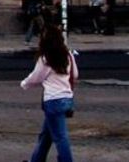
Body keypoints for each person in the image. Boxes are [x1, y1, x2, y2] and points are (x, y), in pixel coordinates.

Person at [21, 25, 78, 162]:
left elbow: (36, 77)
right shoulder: (68, 55)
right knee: (46, 136)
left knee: (60, 138)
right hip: (67, 99)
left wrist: (24, 84)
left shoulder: (46, 58)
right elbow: (75, 74)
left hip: (52, 100)